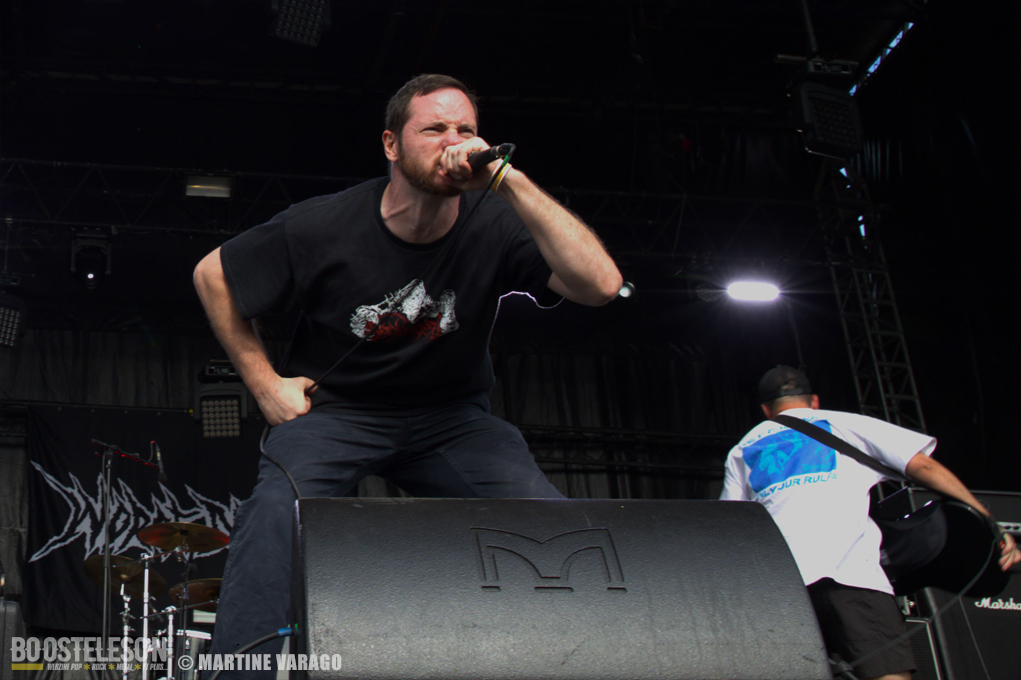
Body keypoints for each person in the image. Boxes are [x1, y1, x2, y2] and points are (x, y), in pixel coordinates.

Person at [192, 74, 622, 674]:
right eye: (435, 129)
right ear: (392, 144)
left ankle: (585, 662)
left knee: (546, 524)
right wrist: (264, 383)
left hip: (453, 421)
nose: (454, 141)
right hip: (338, 415)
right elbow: (212, 275)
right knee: (275, 514)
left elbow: (601, 285)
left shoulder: (496, 220)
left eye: (466, 129)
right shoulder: (324, 224)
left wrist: (510, 181)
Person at [720, 365, 1020, 680]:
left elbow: (730, 525)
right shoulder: (844, 423)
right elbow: (923, 467)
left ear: (766, 409)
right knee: (888, 675)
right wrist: (988, 520)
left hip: (780, 591)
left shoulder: (742, 449)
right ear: (814, 401)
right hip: (851, 577)